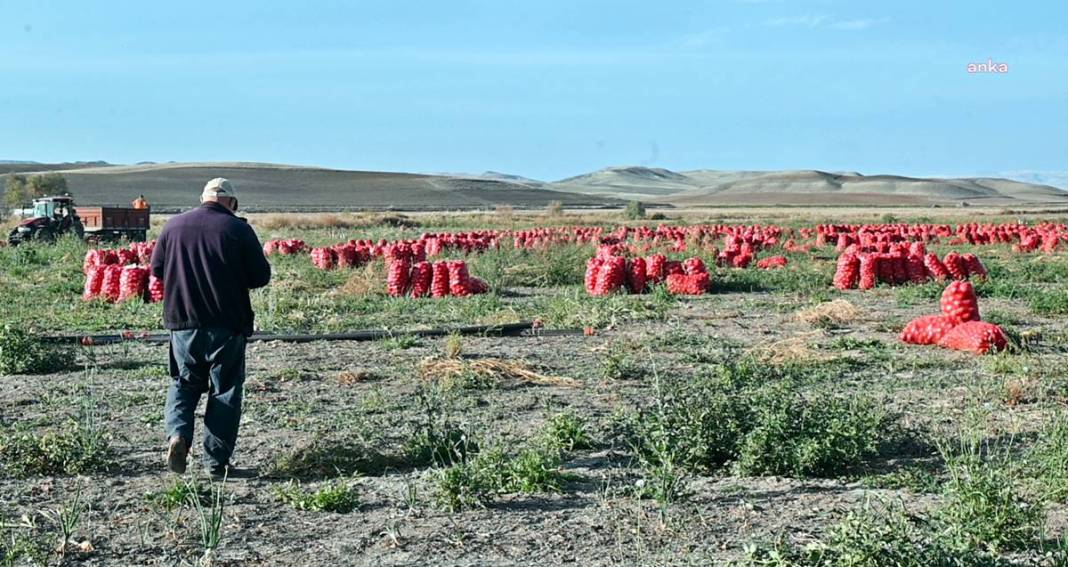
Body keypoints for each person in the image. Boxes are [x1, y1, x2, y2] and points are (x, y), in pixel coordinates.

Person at [149, 178, 271, 478]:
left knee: (183, 383)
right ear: (231, 202)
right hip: (226, 324)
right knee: (224, 390)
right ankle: (215, 464)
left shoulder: (172, 226)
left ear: (203, 198)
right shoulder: (238, 229)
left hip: (183, 322)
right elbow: (259, 277)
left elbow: (157, 270)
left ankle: (178, 435)